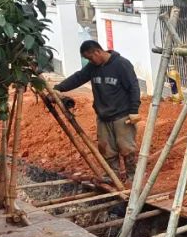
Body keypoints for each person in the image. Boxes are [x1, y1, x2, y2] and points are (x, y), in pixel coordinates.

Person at [55, 41, 141, 178]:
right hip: (103, 116)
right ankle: (113, 175)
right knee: (107, 149)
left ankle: (132, 176)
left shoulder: (121, 64)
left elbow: (134, 87)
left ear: (97, 52)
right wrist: (59, 88)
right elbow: (78, 77)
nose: (90, 61)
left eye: (90, 58)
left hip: (122, 115)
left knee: (126, 148)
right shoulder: (93, 67)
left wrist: (134, 110)